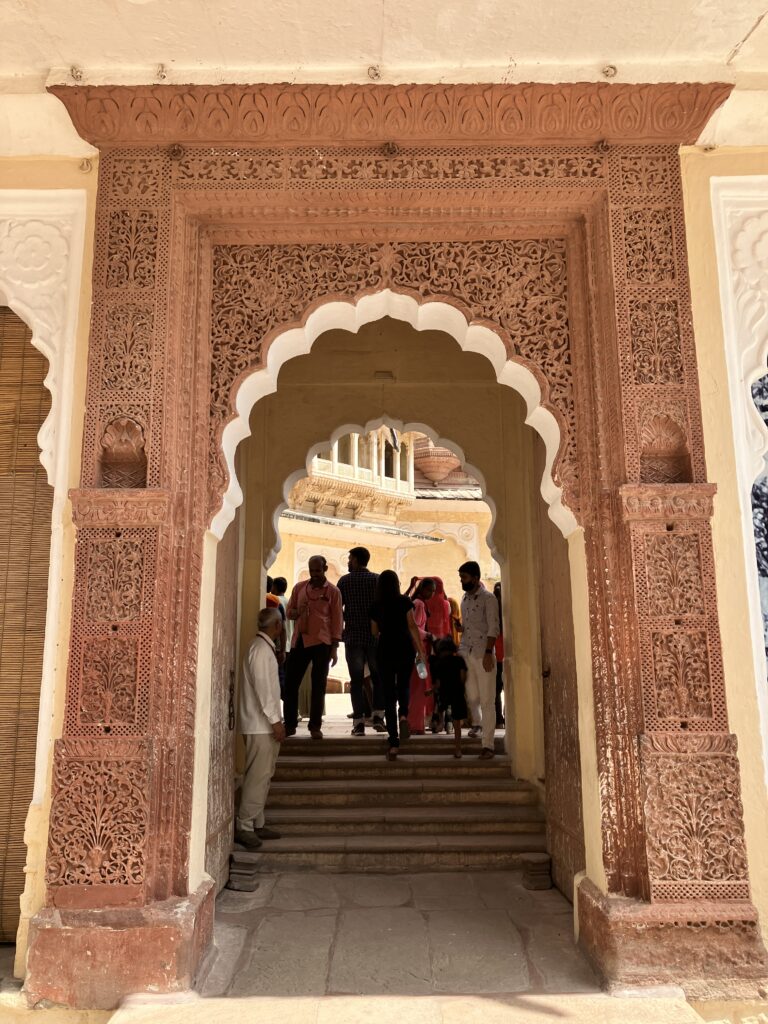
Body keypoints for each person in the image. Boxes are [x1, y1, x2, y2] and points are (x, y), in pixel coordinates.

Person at [235, 606, 286, 850]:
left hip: (259, 723)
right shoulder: (261, 651)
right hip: (260, 725)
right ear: (276, 626)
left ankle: (257, 822)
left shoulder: (262, 649)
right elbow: (264, 690)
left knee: (263, 775)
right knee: (258, 776)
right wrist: (275, 721)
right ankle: (245, 825)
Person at [283, 555, 343, 739]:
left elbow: (337, 622)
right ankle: (290, 724)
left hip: (322, 643)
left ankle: (315, 726)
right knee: (291, 684)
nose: (315, 574)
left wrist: (334, 648)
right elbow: (289, 613)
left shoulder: (333, 592)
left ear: (325, 569)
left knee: (319, 685)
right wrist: (298, 611)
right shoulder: (300, 588)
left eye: (318, 570)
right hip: (300, 641)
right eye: (312, 570)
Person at [370, 570, 426, 761]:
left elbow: (374, 631)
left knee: (388, 695)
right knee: (404, 685)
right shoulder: (404, 601)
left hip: (385, 650)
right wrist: (420, 650)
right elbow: (412, 626)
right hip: (404, 648)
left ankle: (394, 743)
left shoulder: (376, 605)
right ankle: (404, 715)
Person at [337, 546, 385, 736]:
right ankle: (379, 717)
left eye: (350, 559)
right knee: (377, 678)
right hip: (374, 636)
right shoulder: (377, 580)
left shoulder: (345, 581)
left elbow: (336, 609)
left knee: (356, 681)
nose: (348, 562)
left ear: (356, 560)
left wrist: (340, 630)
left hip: (353, 636)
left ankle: (358, 723)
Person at [457, 560, 500, 759]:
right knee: (472, 696)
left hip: (484, 654)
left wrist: (489, 653)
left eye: (464, 578)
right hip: (467, 652)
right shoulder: (464, 599)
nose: (462, 581)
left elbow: (493, 627)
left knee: (487, 700)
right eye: (461, 578)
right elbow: (469, 627)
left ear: (475, 578)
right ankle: (477, 724)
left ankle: (488, 745)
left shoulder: (488, 599)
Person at [430, 637, 468, 758]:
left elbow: (438, 683)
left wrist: (431, 691)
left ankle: (441, 722)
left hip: (444, 693)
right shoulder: (459, 660)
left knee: (441, 708)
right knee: (457, 723)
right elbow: (463, 677)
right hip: (457, 692)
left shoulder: (438, 663)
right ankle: (458, 749)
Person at [407, 577, 436, 734]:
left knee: (419, 686)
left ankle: (415, 723)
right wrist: (430, 635)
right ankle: (415, 725)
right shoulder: (418, 604)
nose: (431, 594)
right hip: (418, 649)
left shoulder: (418, 603)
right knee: (419, 687)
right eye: (429, 590)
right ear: (423, 590)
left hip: (419, 648)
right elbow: (414, 629)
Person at [493, 582, 505, 727]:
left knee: (495, 691)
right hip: (508, 655)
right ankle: (508, 717)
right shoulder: (508, 611)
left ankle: (499, 719)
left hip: (495, 655)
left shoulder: (492, 611)